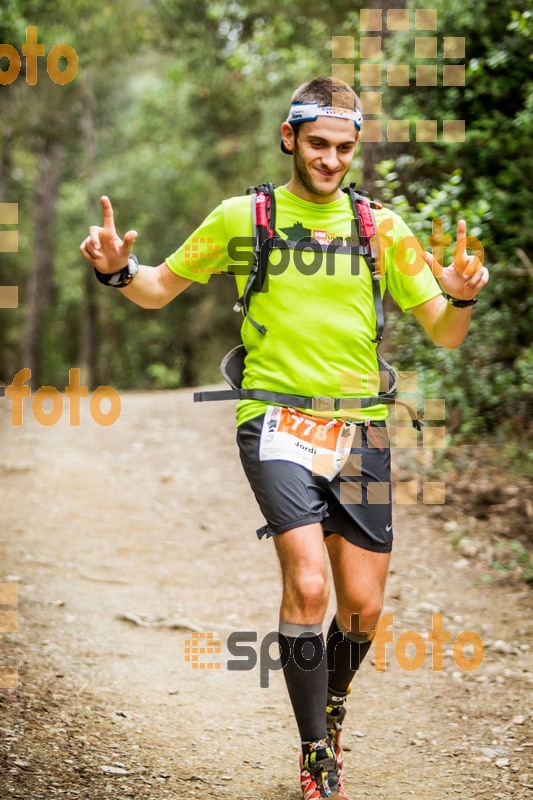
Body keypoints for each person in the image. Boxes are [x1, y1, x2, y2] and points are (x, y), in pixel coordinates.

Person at [80, 76, 489, 800]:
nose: (330, 159)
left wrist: (457, 293)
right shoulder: (245, 217)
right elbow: (156, 288)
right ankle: (314, 756)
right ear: (288, 137)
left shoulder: (379, 228)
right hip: (274, 423)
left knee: (360, 610)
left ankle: (330, 706)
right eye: (317, 144)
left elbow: (445, 333)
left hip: (359, 427)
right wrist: (118, 271)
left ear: (353, 148)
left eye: (343, 147)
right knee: (306, 583)